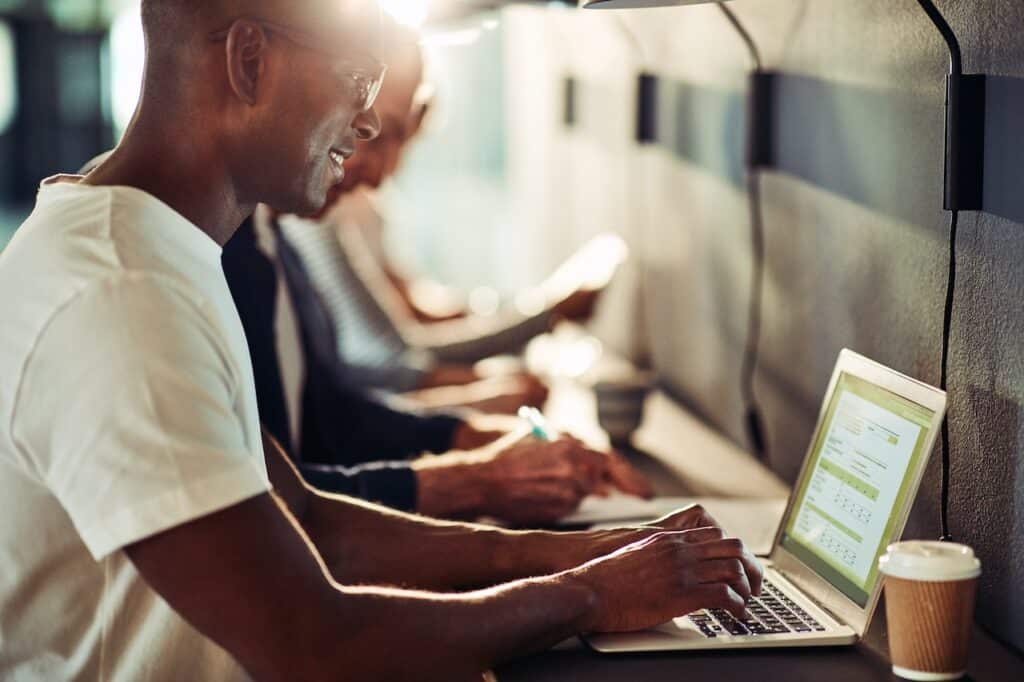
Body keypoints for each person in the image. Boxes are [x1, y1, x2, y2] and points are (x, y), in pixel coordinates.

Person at [0, 2, 762, 680]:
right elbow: (310, 641)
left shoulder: (161, 249)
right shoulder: (122, 292)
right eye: (359, 77)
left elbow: (310, 520)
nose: (366, 123)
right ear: (249, 61)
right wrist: (591, 596)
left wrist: (582, 554)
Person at [279, 30, 604, 398]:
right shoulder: (309, 223)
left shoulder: (309, 225)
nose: (382, 172)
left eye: (401, 142)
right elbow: (396, 359)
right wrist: (545, 314)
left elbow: (406, 323)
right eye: (373, 134)